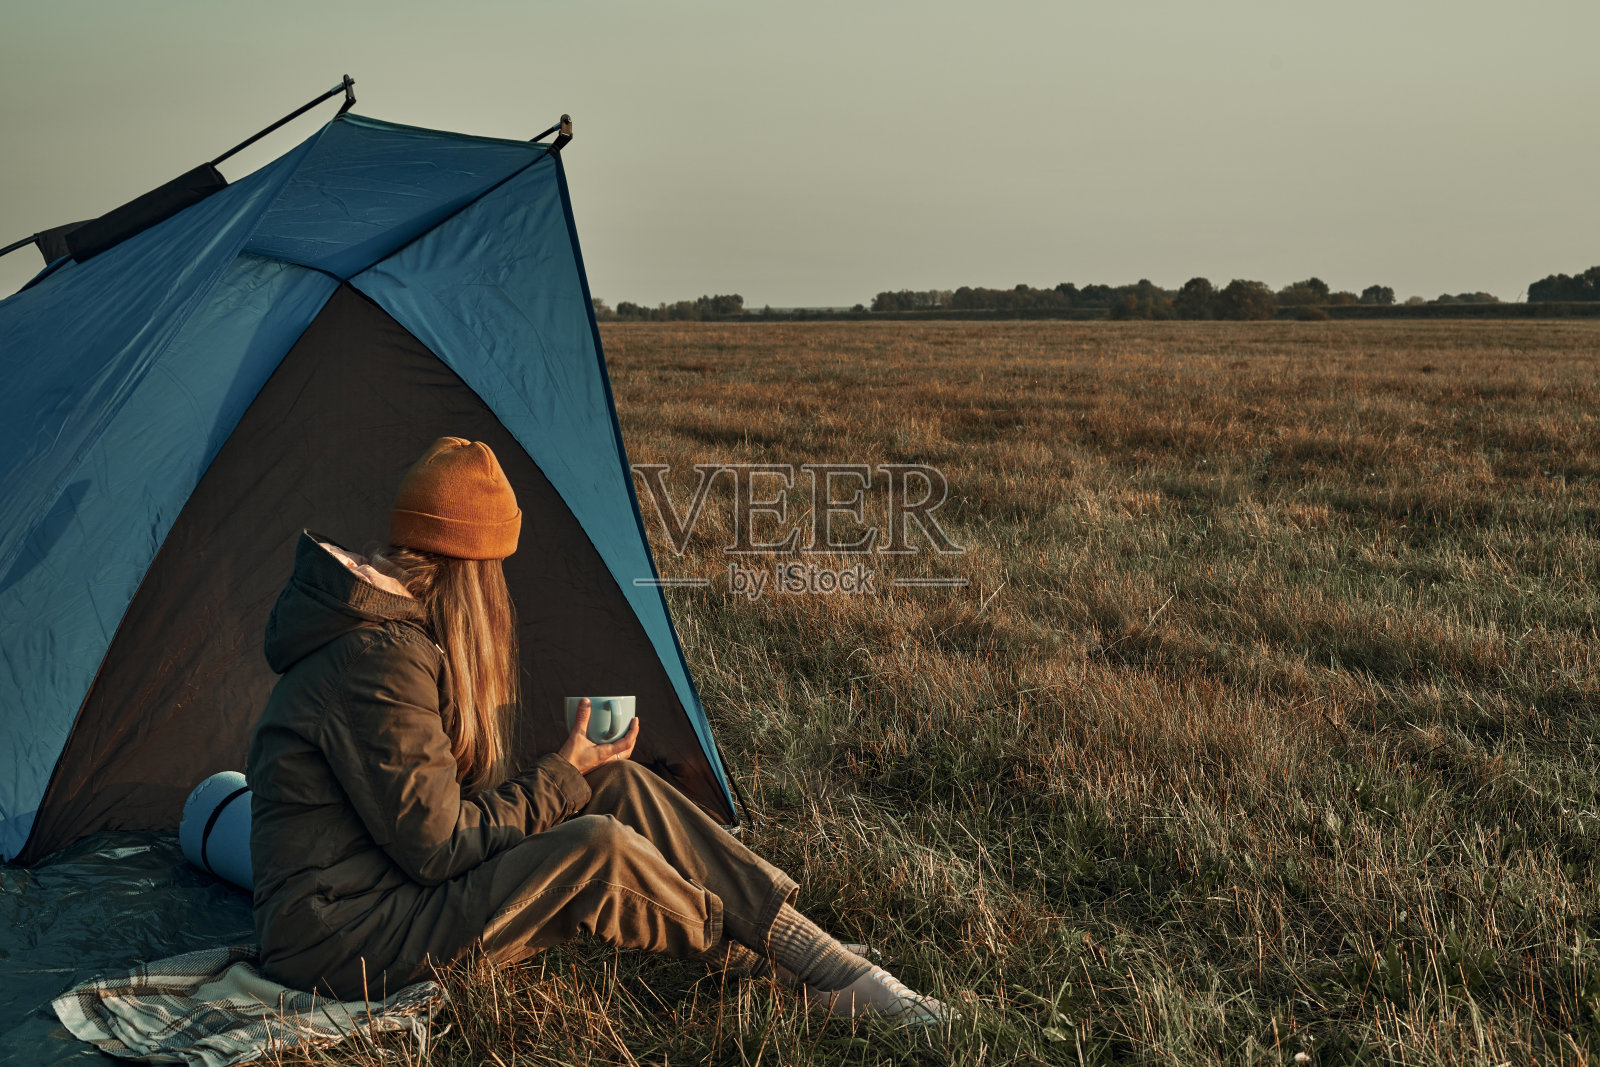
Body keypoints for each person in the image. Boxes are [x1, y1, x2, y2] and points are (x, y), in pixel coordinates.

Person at [246, 436, 950, 1025]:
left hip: (382, 895)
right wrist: (555, 775)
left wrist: (571, 772)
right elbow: (439, 846)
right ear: (474, 566)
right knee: (595, 846)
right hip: (342, 941)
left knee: (610, 781)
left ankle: (807, 949)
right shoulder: (379, 658)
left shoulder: (387, 635)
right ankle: (784, 969)